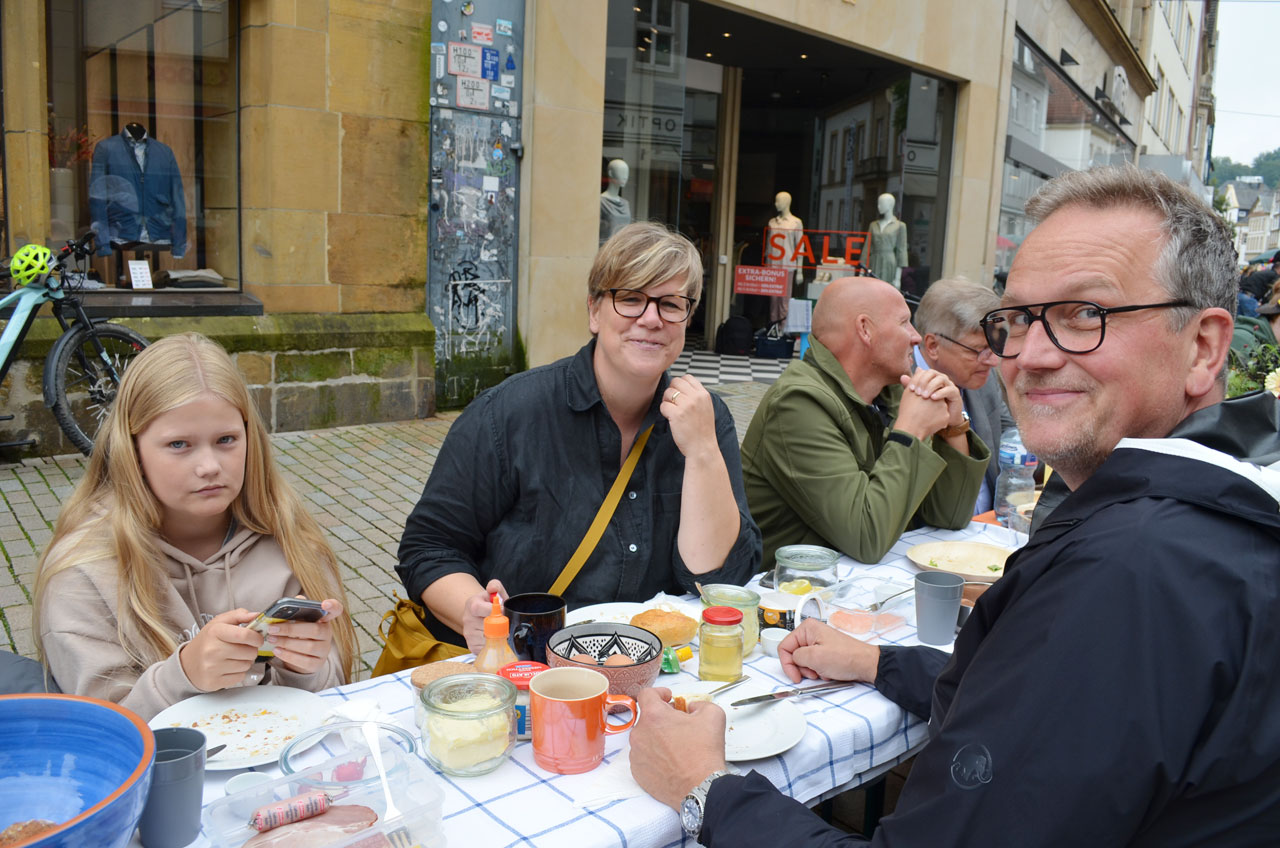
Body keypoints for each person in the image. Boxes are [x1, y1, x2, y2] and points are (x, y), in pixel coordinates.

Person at [629, 166, 1280, 845]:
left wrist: (704, 789)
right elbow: (1038, 692)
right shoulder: (1200, 521)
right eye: (1018, 319)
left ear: (1204, 348)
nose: (1028, 355)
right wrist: (880, 663)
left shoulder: (1133, 568)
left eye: (1085, 313)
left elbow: (930, 525)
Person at [397, 222, 761, 654]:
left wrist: (702, 452)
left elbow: (717, 581)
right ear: (594, 311)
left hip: (656, 669)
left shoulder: (706, 419)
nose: (651, 319)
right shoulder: (510, 413)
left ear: (687, 317)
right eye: (630, 299)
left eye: (670, 304)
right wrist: (472, 611)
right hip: (526, 664)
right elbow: (429, 547)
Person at [34, 333, 354, 720]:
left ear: (251, 438)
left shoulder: (293, 541)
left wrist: (305, 668)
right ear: (132, 450)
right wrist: (183, 676)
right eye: (179, 445)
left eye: (226, 439)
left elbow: (334, 695)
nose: (209, 466)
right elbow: (102, 728)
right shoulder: (83, 573)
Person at [739, 276, 988, 568]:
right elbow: (866, 537)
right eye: (904, 323)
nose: (916, 336)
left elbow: (950, 515)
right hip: (787, 588)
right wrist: (909, 431)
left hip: (856, 582)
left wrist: (954, 427)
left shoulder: (891, 392)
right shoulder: (797, 403)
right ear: (865, 330)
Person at [911, 277, 1013, 513]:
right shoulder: (898, 386)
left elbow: (1013, 439)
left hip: (990, 523)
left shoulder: (982, 378)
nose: (993, 361)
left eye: (995, 346)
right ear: (933, 346)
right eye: (979, 350)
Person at [866, 193, 908, 288]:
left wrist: (897, 278)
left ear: (890, 205)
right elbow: (867, 248)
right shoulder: (873, 225)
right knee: (871, 288)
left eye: (881, 203)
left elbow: (901, 251)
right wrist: (861, 270)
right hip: (874, 261)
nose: (878, 206)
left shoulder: (900, 226)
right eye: (878, 203)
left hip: (889, 262)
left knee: (886, 289)